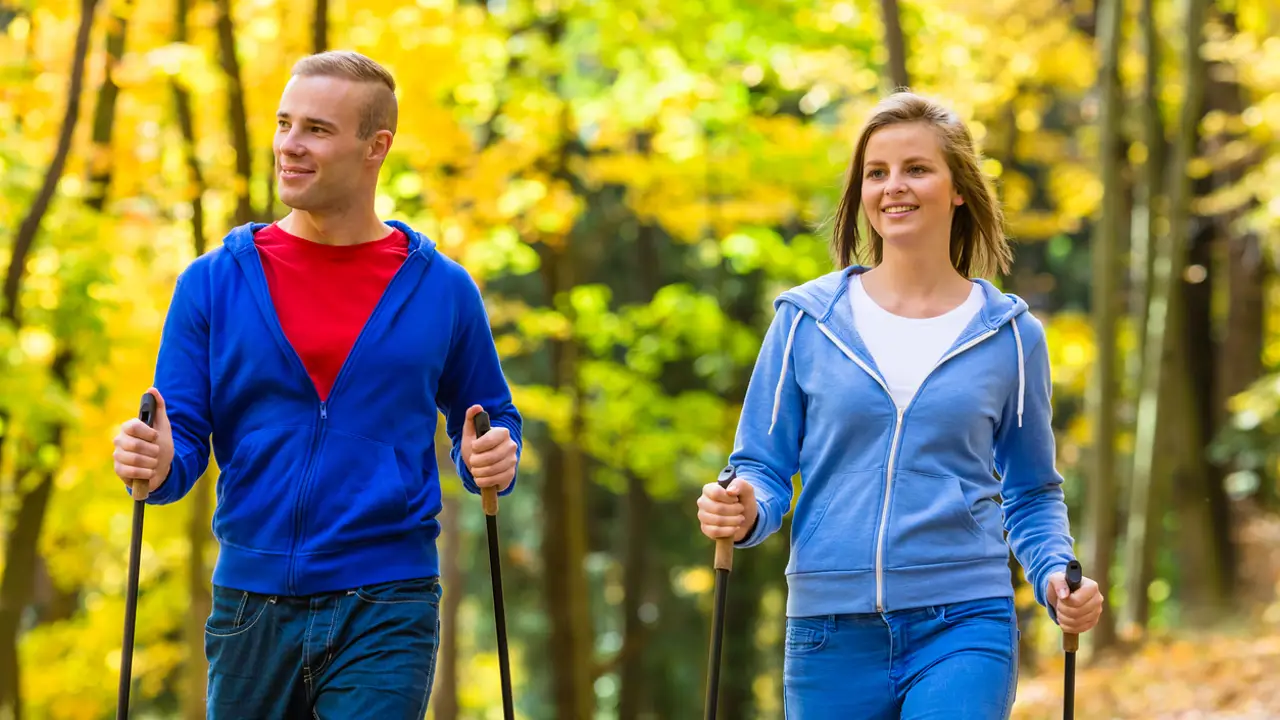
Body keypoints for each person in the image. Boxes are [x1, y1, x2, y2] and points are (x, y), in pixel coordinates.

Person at [110, 51, 522, 719]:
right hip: (249, 603)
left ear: (375, 147)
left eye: (317, 130)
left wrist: (492, 455)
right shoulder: (213, 283)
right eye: (284, 124)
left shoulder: (442, 289)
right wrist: (155, 463)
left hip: (388, 599)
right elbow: (179, 437)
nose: (290, 147)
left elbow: (491, 417)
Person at [696, 91, 1104, 719]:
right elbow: (763, 467)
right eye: (876, 172)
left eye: (917, 168)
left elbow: (1032, 492)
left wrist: (1055, 575)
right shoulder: (807, 321)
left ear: (958, 187)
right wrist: (744, 505)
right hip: (829, 630)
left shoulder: (1011, 336)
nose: (894, 187)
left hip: (964, 620)